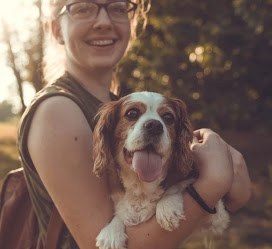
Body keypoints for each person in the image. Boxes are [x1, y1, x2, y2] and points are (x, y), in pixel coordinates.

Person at [17, 0, 252, 248]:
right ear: (55, 28)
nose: (104, 22)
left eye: (117, 8)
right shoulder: (57, 109)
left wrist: (232, 185)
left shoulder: (121, 106)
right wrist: (214, 183)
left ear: (132, 23)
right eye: (83, 7)